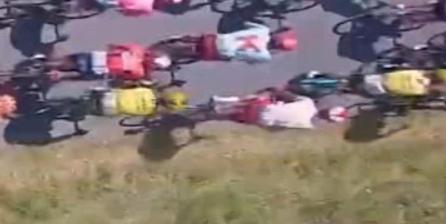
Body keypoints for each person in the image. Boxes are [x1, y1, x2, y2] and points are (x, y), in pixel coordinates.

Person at [34, 42, 173, 84]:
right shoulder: (140, 73)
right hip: (99, 71)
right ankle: (58, 75)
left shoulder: (137, 50)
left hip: (97, 57)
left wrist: (113, 51)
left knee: (67, 60)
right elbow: (123, 79)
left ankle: (46, 64)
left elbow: (114, 46)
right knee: (76, 76)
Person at [208, 88, 346, 130]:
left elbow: (284, 94)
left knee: (251, 99)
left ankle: (221, 100)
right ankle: (218, 116)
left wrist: (272, 91)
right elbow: (279, 128)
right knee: (232, 118)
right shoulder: (308, 126)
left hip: (262, 107)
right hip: (261, 120)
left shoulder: (307, 103)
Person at [169, 25, 299, 65]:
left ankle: (179, 38)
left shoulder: (263, 30)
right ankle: (176, 58)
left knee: (204, 36)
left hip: (219, 39)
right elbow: (245, 59)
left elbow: (247, 25)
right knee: (226, 56)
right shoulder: (265, 56)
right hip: (220, 52)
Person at [87, 83, 192, 120]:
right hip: (111, 109)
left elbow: (132, 85)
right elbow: (148, 118)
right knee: (110, 113)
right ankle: (88, 112)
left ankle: (92, 92)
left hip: (111, 96)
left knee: (114, 90)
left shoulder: (148, 91)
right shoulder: (151, 111)